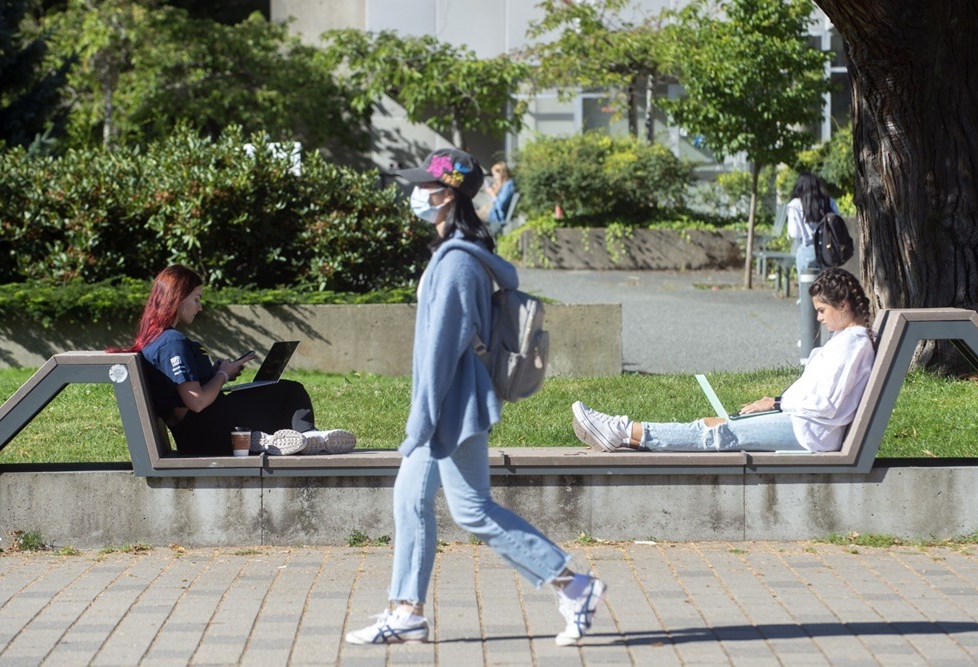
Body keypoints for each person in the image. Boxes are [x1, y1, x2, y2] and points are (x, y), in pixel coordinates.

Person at [344, 148, 606, 647]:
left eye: (425, 186)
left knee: (472, 511)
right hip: (448, 403)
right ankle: (406, 612)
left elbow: (442, 352)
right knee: (409, 498)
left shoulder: (458, 263)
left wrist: (420, 422)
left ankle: (574, 585)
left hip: (453, 407)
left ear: (446, 196)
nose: (416, 194)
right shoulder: (453, 256)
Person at [571, 268, 875, 453]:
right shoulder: (845, 341)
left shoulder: (853, 344)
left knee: (716, 434)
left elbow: (827, 404)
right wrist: (776, 401)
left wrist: (777, 403)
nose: (819, 318)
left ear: (843, 304)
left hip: (809, 432)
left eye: (822, 310)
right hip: (804, 424)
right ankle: (626, 436)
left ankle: (622, 429)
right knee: (711, 423)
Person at [109, 265, 354, 457]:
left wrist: (216, 372)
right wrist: (223, 375)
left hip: (196, 433)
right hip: (207, 430)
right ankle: (307, 438)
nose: (200, 307)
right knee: (289, 391)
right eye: (196, 298)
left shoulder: (157, 339)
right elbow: (197, 402)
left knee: (271, 390)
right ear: (179, 298)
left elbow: (184, 391)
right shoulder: (172, 342)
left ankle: (271, 440)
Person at [786, 172, 841, 274]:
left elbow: (794, 233)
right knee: (826, 287)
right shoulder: (829, 202)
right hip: (828, 252)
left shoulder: (795, 205)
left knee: (806, 288)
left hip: (807, 251)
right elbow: (837, 225)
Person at [486, 161, 517, 228]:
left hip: (498, 221)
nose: (494, 178)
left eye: (494, 175)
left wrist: (492, 194)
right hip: (493, 220)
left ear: (501, 174)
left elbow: (500, 205)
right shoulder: (504, 186)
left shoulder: (509, 185)